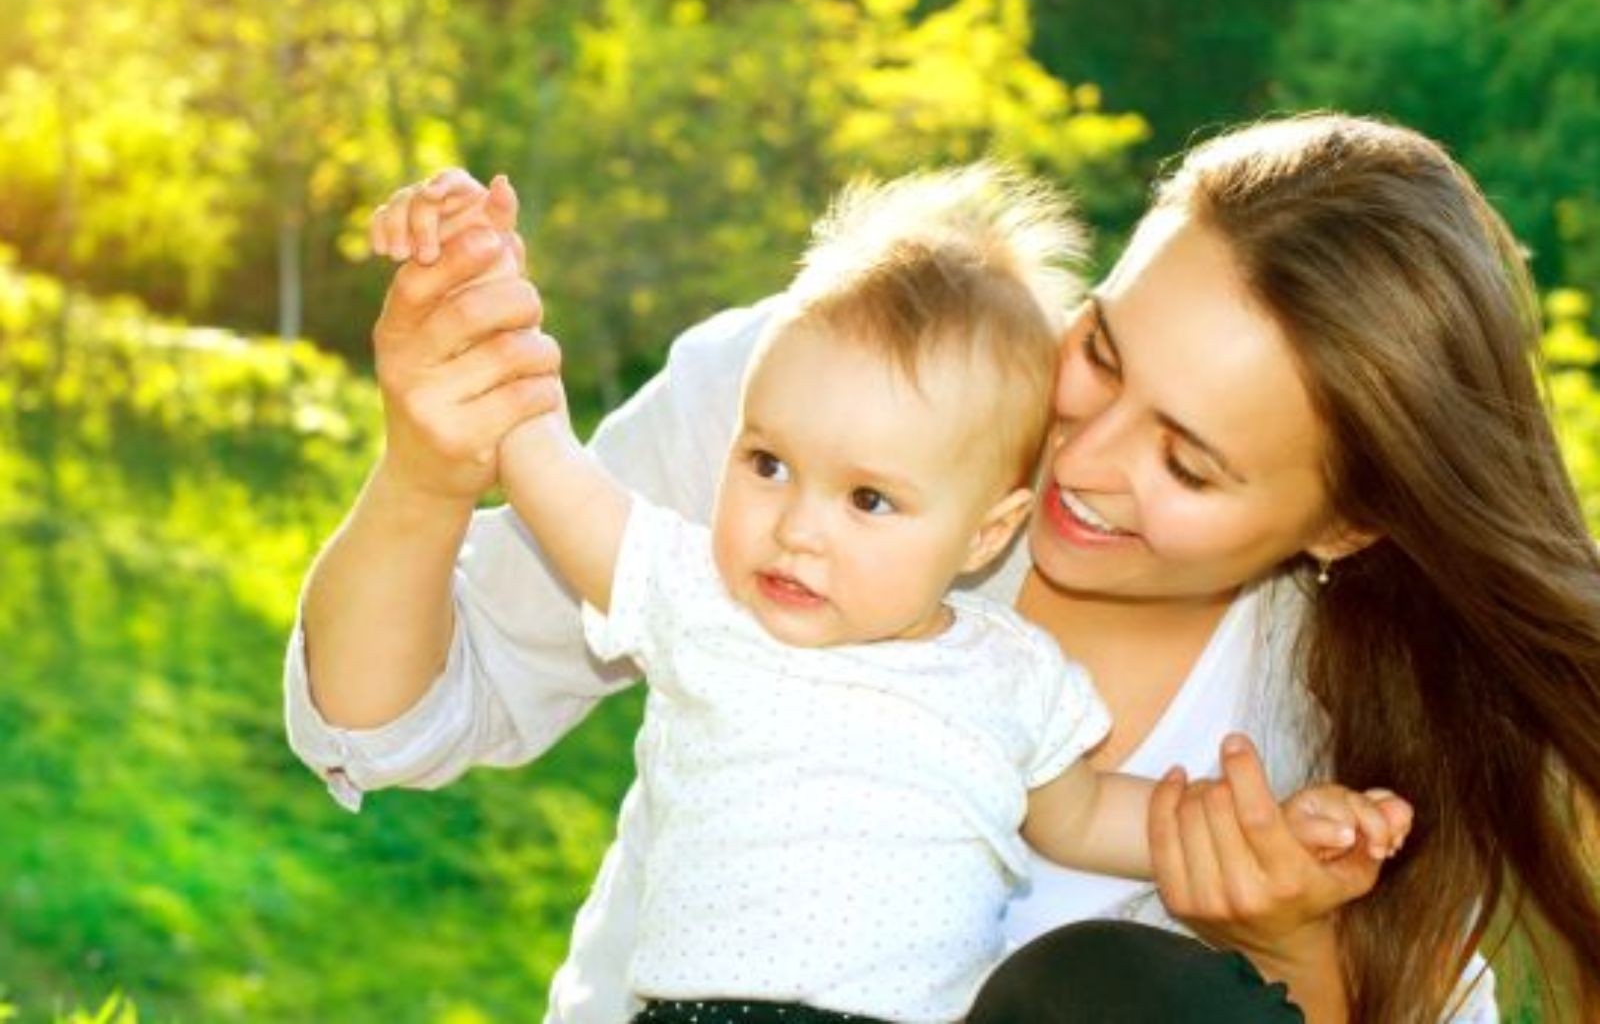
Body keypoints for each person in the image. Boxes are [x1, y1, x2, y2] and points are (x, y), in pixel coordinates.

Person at [286, 112, 1600, 1022]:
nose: (1085, 460)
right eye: (1103, 350)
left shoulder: (1359, 711)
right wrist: (425, 470)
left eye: (1188, 467)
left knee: (1120, 991)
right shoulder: (818, 411)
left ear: (1343, 526)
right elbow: (386, 724)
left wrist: (1294, 939)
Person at [427, 164, 1403, 1022]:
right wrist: (486, 318)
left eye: (867, 499)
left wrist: (1277, 841)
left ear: (986, 529)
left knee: (1114, 979)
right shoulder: (708, 594)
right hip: (701, 1017)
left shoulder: (1013, 672)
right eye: (765, 465)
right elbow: (556, 485)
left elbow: (1082, 814)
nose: (801, 528)